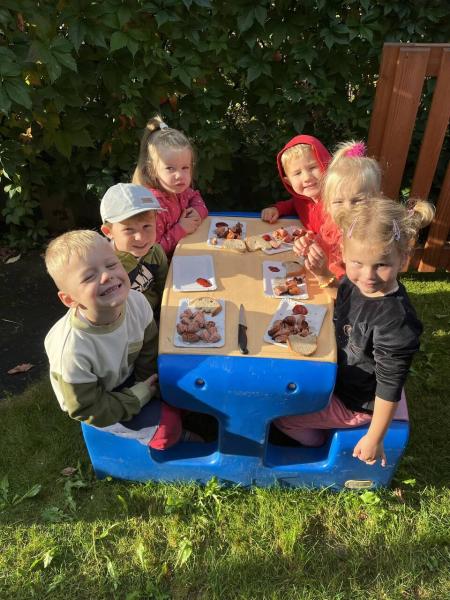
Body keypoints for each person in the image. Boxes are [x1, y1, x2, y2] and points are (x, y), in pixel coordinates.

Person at [274, 196, 435, 466]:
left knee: (282, 416)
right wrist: (322, 273)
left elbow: (389, 386)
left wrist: (375, 438)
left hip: (356, 402)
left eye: (381, 265)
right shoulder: (356, 282)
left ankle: (318, 444)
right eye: (357, 262)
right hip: (341, 374)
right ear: (343, 254)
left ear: (403, 259)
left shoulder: (396, 323)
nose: (368, 275)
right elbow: (344, 296)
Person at [44, 230, 196, 449]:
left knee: (188, 383)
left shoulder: (137, 302)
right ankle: (178, 435)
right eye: (89, 276)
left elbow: (148, 348)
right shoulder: (71, 350)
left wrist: (148, 384)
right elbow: (87, 408)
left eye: (112, 265)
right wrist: (138, 397)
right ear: (69, 299)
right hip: (101, 398)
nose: (107, 276)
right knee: (167, 429)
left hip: (129, 375)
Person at [294, 140, 382, 287]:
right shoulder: (330, 225)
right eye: (338, 202)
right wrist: (309, 246)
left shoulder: (371, 240)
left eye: (357, 201)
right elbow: (322, 245)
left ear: (376, 200)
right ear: (327, 205)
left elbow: (353, 292)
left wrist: (324, 276)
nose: (347, 208)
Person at [132, 115, 208, 257]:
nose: (179, 175)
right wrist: (181, 229)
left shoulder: (179, 189)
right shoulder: (152, 208)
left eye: (185, 167)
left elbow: (195, 197)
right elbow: (152, 252)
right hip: (168, 268)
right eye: (170, 168)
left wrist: (198, 211)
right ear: (152, 170)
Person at [99, 182, 168, 317]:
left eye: (147, 226)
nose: (140, 237)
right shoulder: (107, 269)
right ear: (108, 232)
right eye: (129, 230)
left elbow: (165, 286)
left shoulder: (156, 252)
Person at [260, 134, 331, 234]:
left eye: (312, 167)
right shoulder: (301, 200)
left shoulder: (339, 202)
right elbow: (293, 204)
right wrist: (276, 209)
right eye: (297, 173)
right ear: (288, 182)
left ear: (328, 166)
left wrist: (318, 241)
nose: (307, 177)